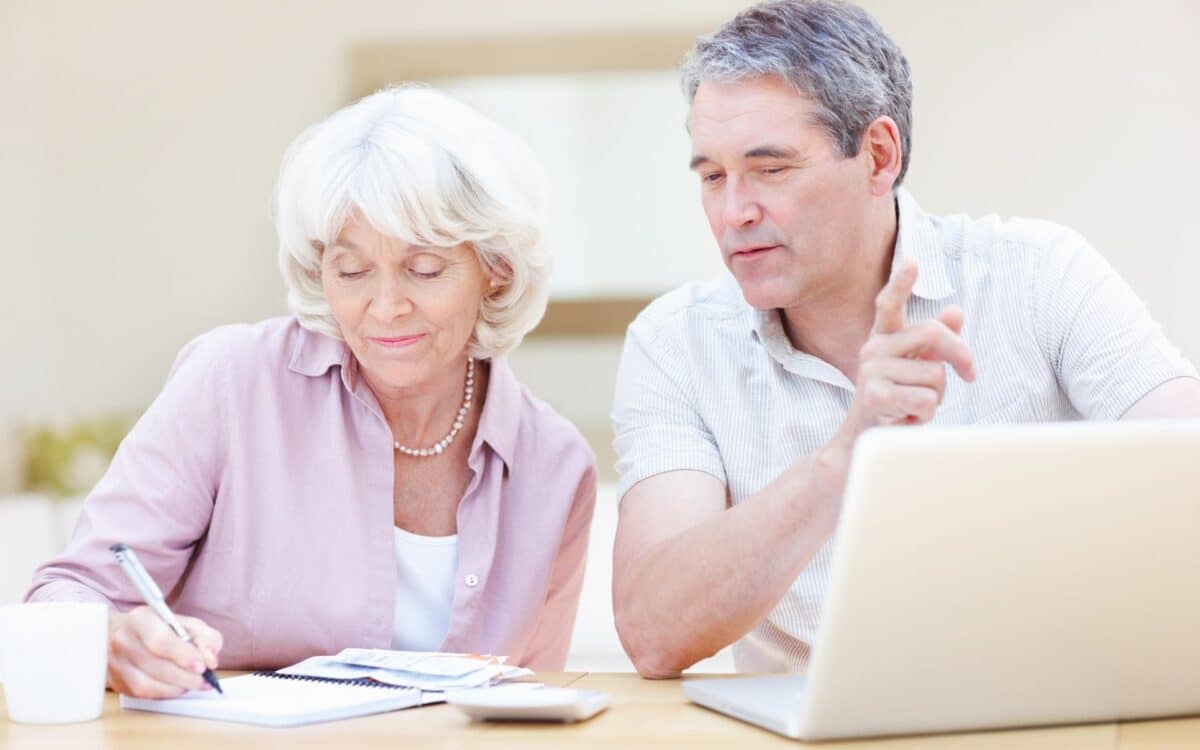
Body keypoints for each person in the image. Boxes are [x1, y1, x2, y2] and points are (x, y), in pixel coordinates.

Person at [610, 0, 1200, 677]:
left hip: (1047, 711)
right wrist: (843, 457)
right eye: (712, 176)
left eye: (770, 169)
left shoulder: (1037, 276)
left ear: (879, 157)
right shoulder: (673, 343)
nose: (734, 212)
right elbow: (655, 633)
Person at [26, 85, 597, 697]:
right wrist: (114, 638)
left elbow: (531, 701)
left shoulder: (553, 466)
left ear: (496, 269)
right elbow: (66, 594)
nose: (384, 307)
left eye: (424, 269)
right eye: (351, 271)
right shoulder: (232, 382)